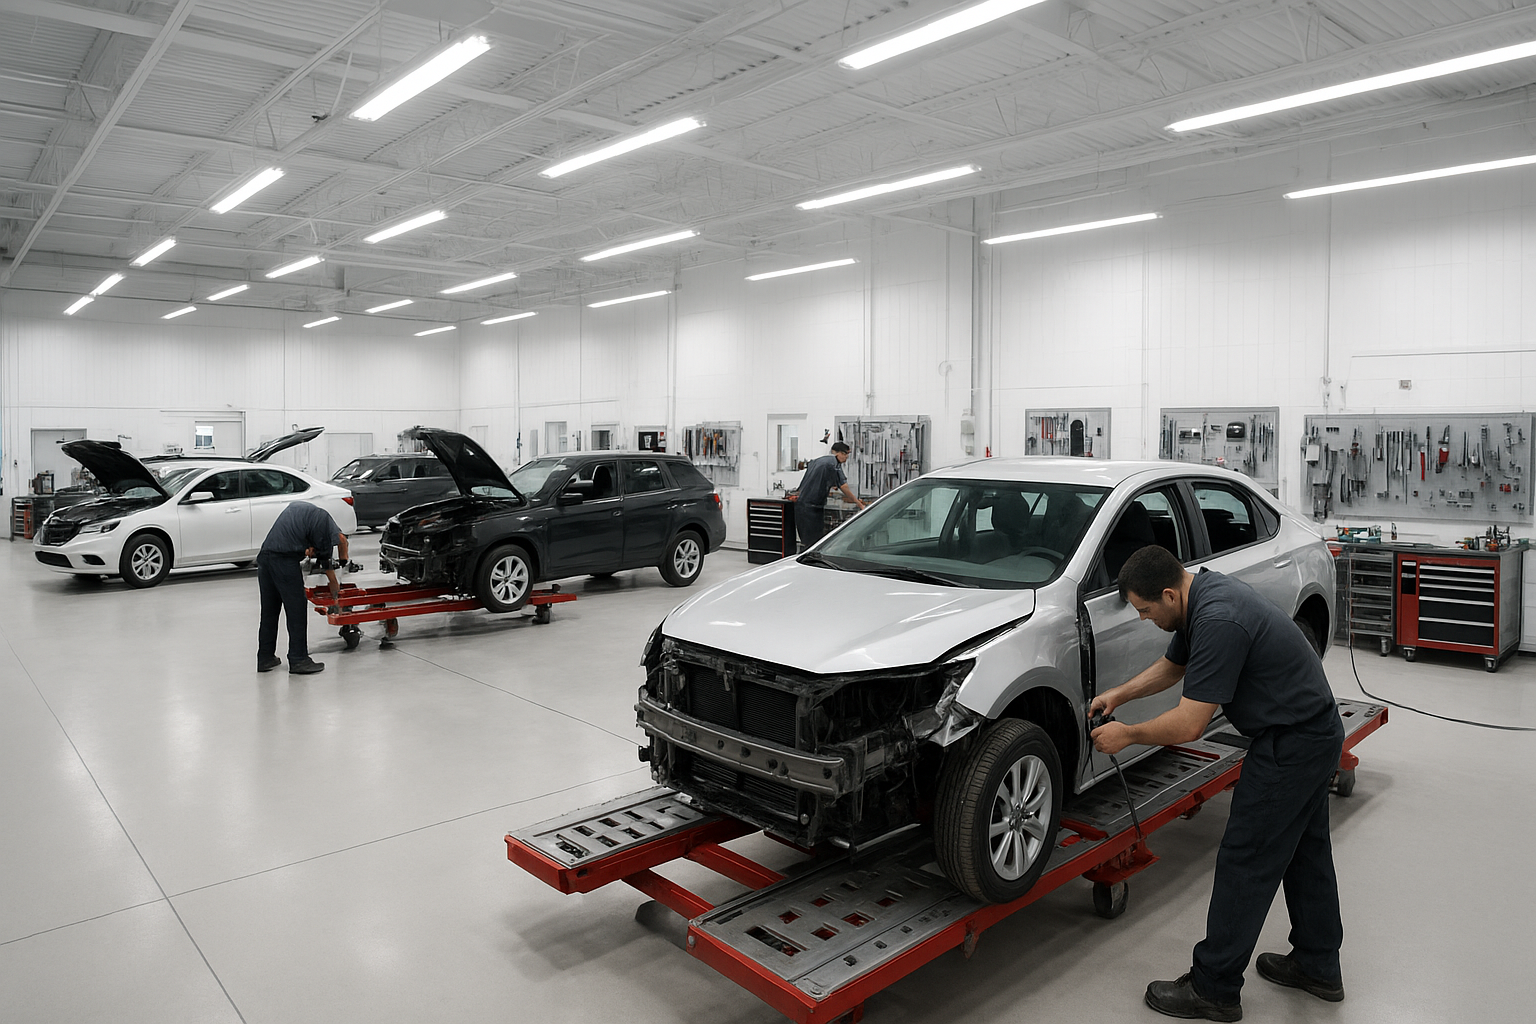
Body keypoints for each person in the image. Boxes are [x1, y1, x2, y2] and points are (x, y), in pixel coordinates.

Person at [1090, 545, 1344, 1023]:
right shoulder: (1201, 596)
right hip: (1311, 730)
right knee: (1306, 852)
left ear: (1168, 593)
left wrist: (1128, 735)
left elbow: (1189, 724)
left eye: (1145, 610)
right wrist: (1119, 694)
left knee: (1245, 860)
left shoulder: (1220, 619)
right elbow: (1175, 666)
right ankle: (1318, 964)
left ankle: (1214, 988)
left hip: (1293, 743)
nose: (1144, 619)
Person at [257, 500, 349, 675]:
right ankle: (299, 659)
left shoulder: (300, 509)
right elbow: (326, 561)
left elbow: (296, 538)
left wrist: (306, 548)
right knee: (297, 609)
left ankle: (265, 658)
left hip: (264, 558)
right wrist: (335, 587)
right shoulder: (325, 523)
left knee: (269, 611)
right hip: (283, 561)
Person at [791, 441, 865, 550]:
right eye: (845, 454)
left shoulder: (818, 460)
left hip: (802, 505)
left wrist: (831, 484)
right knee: (814, 544)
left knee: (806, 542)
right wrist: (859, 504)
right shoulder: (833, 464)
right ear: (837, 453)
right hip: (812, 508)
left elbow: (819, 478)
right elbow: (843, 487)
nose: (846, 457)